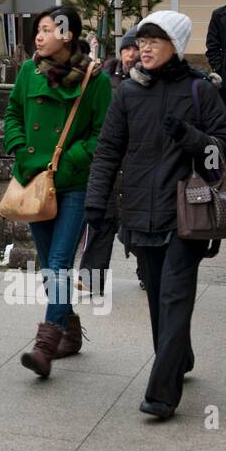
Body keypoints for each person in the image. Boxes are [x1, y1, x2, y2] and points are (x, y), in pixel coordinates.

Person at [85, 10, 226, 420]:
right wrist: (96, 201)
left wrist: (191, 137)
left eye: (154, 40)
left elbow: (224, 150)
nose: (144, 48)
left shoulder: (200, 91)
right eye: (141, 40)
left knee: (174, 298)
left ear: (177, 47)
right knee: (157, 299)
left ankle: (162, 393)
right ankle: (178, 357)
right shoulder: (128, 94)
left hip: (188, 215)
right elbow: (107, 152)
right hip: (138, 214)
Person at [4, 5, 112, 378]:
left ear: (67, 35)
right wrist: (20, 148)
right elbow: (13, 113)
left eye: (48, 29)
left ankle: (45, 344)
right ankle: (71, 330)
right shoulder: (28, 71)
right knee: (49, 264)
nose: (39, 35)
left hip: (72, 183)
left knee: (60, 262)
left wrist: (68, 161)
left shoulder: (94, 80)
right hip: (33, 181)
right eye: (39, 28)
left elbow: (104, 133)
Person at [79, 25, 141, 294]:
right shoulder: (104, 77)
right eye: (126, 48)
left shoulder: (150, 81)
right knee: (102, 219)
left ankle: (147, 271)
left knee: (139, 223)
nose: (130, 54)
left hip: (138, 162)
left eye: (135, 48)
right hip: (108, 159)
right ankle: (91, 277)